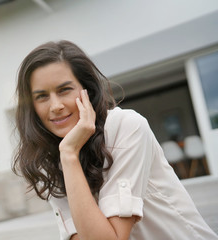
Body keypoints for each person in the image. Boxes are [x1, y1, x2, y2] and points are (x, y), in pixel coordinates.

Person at [12, 40, 218, 240]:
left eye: (64, 90)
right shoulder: (51, 156)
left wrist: (68, 154)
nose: (55, 106)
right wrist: (68, 155)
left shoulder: (125, 126)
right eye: (41, 96)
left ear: (88, 90)